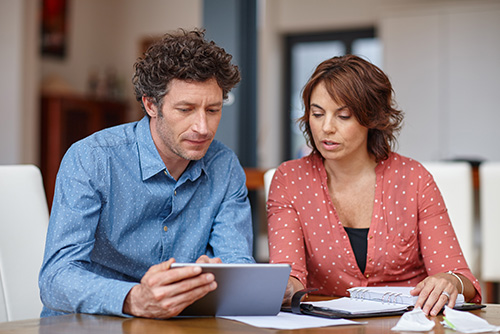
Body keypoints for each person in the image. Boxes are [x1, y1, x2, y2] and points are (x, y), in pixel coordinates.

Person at [39, 28, 254, 319]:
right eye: (186, 109)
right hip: (91, 324)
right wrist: (133, 299)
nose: (203, 127)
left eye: (213, 110)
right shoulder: (93, 158)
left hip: (178, 325)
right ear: (151, 104)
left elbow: (237, 266)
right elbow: (56, 278)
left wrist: (219, 278)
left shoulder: (225, 166)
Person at [267, 54, 481, 317]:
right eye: (317, 114)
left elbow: (461, 277)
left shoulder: (414, 179)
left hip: (409, 323)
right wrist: (281, 287)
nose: (326, 127)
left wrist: (450, 282)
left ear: (372, 118)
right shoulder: (290, 180)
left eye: (343, 116)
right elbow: (292, 277)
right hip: (326, 326)